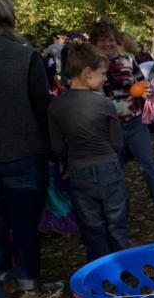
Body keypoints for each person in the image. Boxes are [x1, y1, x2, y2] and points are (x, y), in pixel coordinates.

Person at [0, 0, 63, 298]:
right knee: (23, 224)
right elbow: (43, 111)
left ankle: (5, 282)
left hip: (20, 152)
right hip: (23, 153)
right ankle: (29, 286)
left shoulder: (24, 56)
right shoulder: (22, 57)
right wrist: (57, 152)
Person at [48, 43, 129, 261]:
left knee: (91, 225)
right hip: (108, 167)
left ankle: (101, 272)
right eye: (102, 73)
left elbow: (57, 145)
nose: (105, 78)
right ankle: (125, 269)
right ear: (87, 72)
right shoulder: (104, 104)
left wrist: (64, 162)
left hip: (78, 170)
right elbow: (117, 142)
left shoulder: (56, 105)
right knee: (116, 222)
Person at [89, 19, 154, 218]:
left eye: (111, 39)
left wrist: (146, 91)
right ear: (95, 43)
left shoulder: (127, 60)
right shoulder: (91, 66)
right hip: (108, 125)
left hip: (134, 122)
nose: (108, 44)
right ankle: (121, 211)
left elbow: (141, 83)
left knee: (148, 163)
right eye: (103, 40)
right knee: (115, 169)